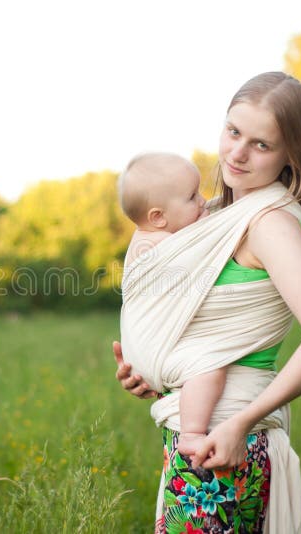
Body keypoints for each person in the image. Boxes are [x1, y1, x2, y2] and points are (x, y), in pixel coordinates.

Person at [113, 71, 301, 534]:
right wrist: (155, 370)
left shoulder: (268, 225)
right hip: (200, 438)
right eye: (233, 131)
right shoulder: (218, 220)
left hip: (224, 443)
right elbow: (200, 330)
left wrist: (242, 421)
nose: (238, 153)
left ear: (291, 154)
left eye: (262, 144)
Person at [118, 152, 224, 458]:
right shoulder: (154, 244)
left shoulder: (156, 235)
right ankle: (191, 433)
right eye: (192, 197)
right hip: (152, 349)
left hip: (143, 350)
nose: (203, 201)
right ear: (158, 217)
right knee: (208, 368)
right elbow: (200, 253)